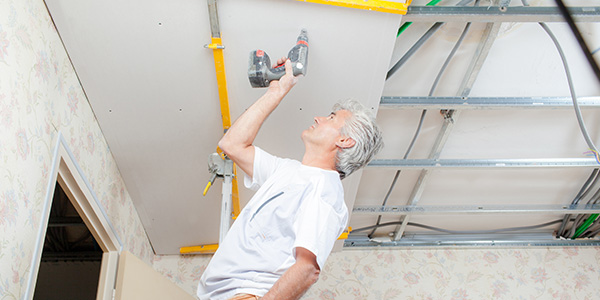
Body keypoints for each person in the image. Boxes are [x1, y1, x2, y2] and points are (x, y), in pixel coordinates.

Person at [197, 58, 383, 300]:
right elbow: (232, 144)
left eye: (331, 117)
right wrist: (278, 90)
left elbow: (308, 269)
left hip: (246, 293)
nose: (319, 118)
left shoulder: (325, 191)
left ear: (345, 141)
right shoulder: (287, 171)